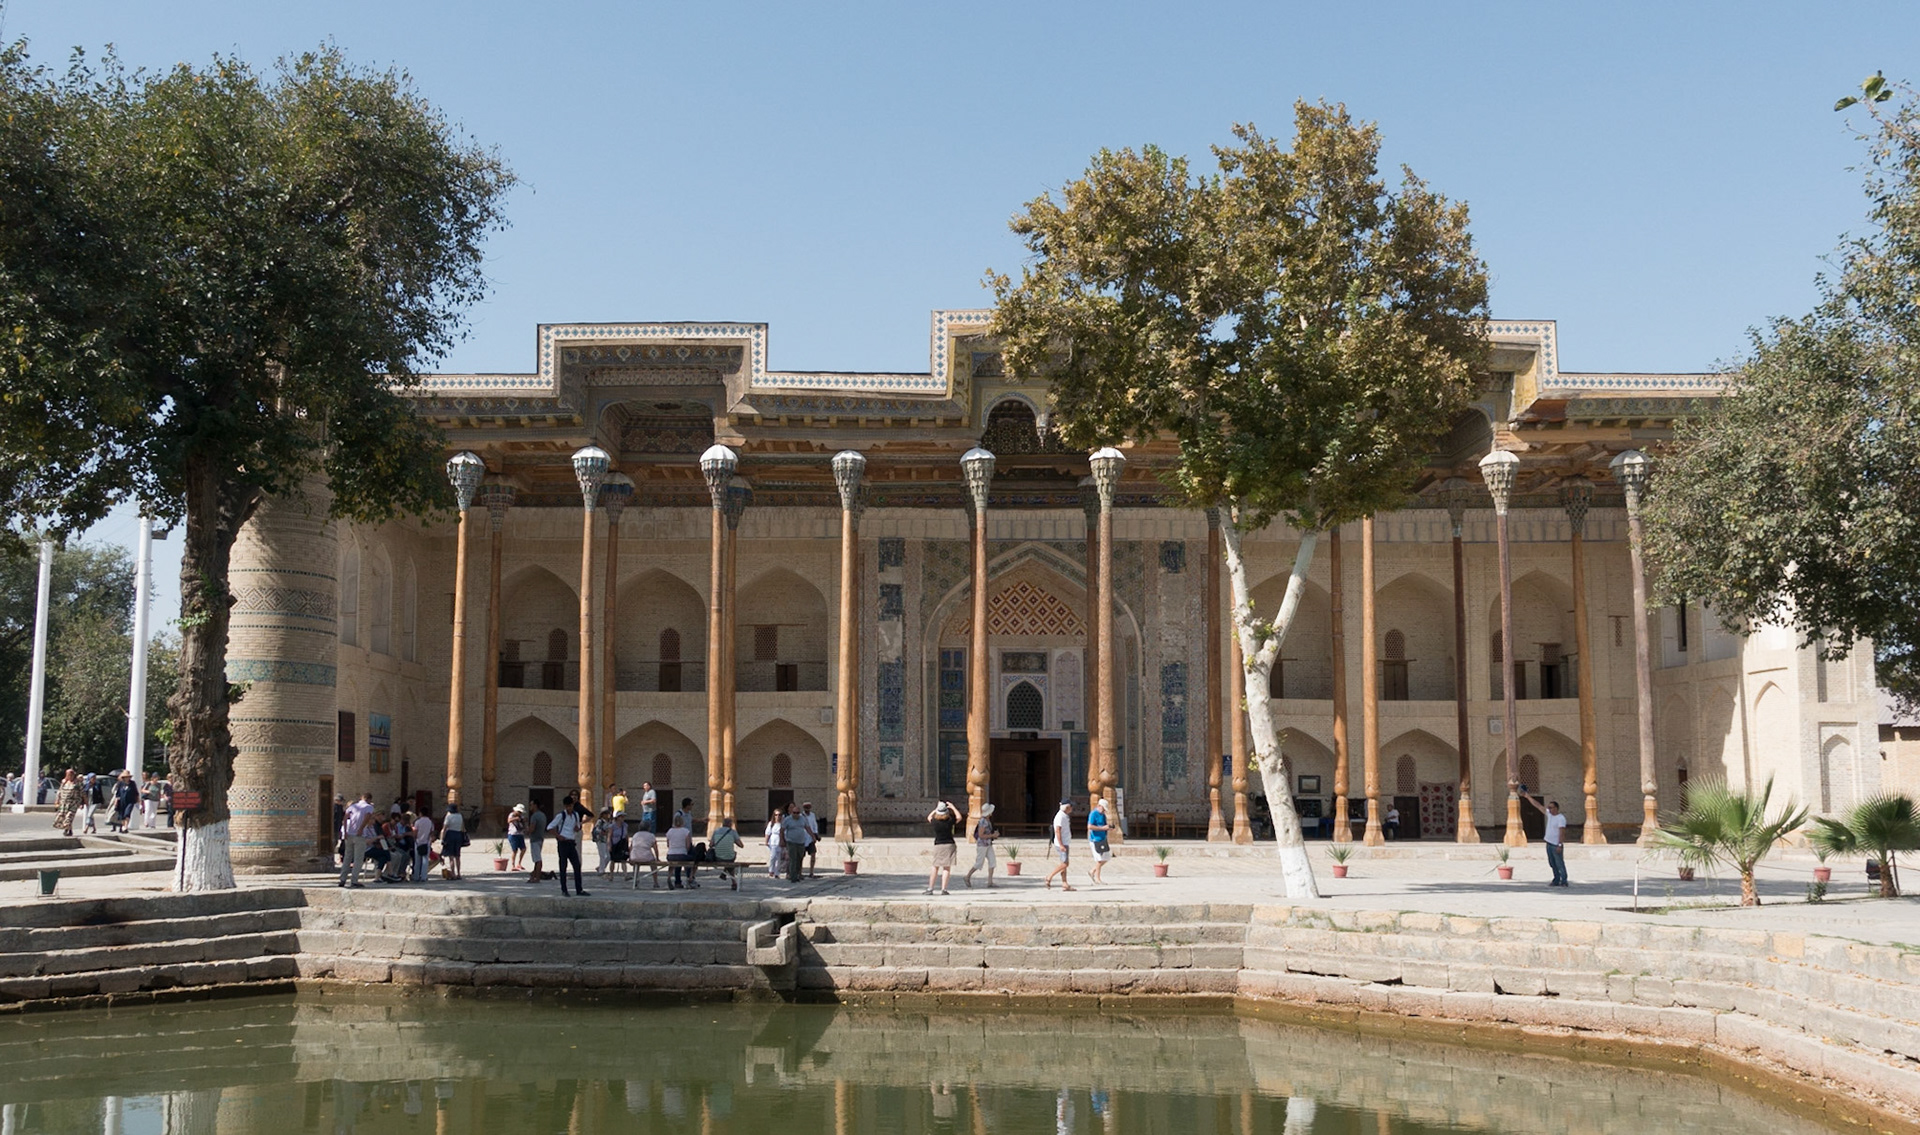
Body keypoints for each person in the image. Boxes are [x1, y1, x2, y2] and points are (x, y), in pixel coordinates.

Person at [1522, 790, 1569, 886]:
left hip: (1556, 844)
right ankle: (1556, 879)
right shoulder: (1550, 815)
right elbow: (1538, 806)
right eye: (1548, 807)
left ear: (1556, 808)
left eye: (1551, 807)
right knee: (1552, 863)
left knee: (1559, 863)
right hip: (1549, 843)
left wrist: (1560, 844)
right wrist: (1528, 797)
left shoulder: (1561, 818)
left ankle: (1564, 880)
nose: (1549, 809)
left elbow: (1562, 832)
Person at [549, 793, 589, 896]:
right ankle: (564, 890)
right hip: (563, 843)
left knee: (577, 866)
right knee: (563, 867)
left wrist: (577, 828)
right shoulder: (561, 816)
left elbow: (578, 826)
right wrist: (558, 836)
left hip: (571, 842)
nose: (569, 808)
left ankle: (579, 889)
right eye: (567, 806)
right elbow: (550, 827)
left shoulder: (575, 815)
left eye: (570, 806)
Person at [338, 792, 377, 888]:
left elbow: (345, 817)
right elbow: (367, 817)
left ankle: (342, 879)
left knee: (347, 857)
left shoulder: (353, 806)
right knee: (358, 858)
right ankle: (354, 880)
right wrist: (361, 828)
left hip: (350, 834)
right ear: (369, 799)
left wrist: (345, 831)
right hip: (360, 835)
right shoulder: (369, 807)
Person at [924, 801, 960, 895]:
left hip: (938, 844)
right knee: (946, 868)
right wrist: (953, 807)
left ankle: (930, 888)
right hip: (949, 844)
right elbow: (959, 817)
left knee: (935, 867)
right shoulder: (950, 821)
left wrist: (935, 809)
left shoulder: (935, 822)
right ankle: (944, 889)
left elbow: (929, 817)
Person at [963, 803, 998, 888]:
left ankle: (990, 881)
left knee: (992, 861)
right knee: (979, 863)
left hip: (988, 844)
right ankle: (967, 876)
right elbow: (981, 835)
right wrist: (992, 835)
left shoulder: (987, 820)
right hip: (982, 845)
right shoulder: (983, 821)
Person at [1045, 800, 1076, 891]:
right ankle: (1049, 877)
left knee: (1063, 863)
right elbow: (1057, 831)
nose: (1072, 809)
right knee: (1065, 863)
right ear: (1067, 807)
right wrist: (1061, 844)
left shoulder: (1065, 816)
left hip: (1065, 842)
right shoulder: (1060, 817)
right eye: (1071, 807)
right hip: (1062, 843)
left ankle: (1064, 883)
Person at [665, 813, 699, 889]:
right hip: (682, 854)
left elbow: (668, 844)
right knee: (691, 859)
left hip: (670, 855)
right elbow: (688, 845)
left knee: (675, 862)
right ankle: (690, 878)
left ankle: (672, 879)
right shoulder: (686, 831)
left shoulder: (669, 831)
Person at [781, 804, 811, 885]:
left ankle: (797, 874)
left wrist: (813, 836)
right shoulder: (787, 820)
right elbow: (782, 830)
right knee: (793, 859)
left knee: (799, 858)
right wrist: (782, 840)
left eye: (797, 813)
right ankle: (793, 876)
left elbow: (807, 828)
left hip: (801, 842)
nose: (796, 814)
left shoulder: (803, 819)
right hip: (791, 842)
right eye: (794, 813)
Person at [709, 815, 741, 890]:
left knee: (728, 859)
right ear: (730, 824)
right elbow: (741, 845)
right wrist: (733, 840)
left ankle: (726, 875)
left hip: (718, 857)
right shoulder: (733, 832)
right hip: (729, 858)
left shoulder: (716, 831)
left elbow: (711, 845)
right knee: (732, 856)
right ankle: (733, 881)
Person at [1087, 797, 1113, 885]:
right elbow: (1090, 826)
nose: (1104, 811)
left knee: (1106, 857)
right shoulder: (1093, 814)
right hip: (1095, 839)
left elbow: (1104, 825)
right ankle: (1097, 878)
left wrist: (1108, 828)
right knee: (1099, 859)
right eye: (1103, 809)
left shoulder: (1103, 815)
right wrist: (1102, 828)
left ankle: (1092, 871)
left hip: (1102, 839)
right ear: (1099, 806)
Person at [628, 821, 660, 888]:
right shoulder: (651, 835)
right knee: (653, 864)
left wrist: (630, 857)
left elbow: (631, 847)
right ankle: (655, 882)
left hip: (635, 856)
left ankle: (635, 879)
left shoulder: (635, 835)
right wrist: (657, 858)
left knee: (636, 864)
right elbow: (655, 848)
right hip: (646, 856)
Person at [52, 769, 83, 836]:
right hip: (64, 803)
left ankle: (66, 830)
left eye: (71, 775)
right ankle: (70, 830)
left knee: (69, 817)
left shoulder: (77, 783)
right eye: (68, 775)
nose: (70, 776)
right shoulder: (64, 782)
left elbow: (82, 793)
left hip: (73, 803)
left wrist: (82, 803)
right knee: (63, 817)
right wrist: (57, 801)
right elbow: (59, 791)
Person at [440, 805, 466, 879]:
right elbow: (462, 827)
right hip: (458, 835)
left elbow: (444, 828)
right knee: (457, 856)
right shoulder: (460, 816)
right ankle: (459, 873)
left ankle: (453, 873)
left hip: (450, 835)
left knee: (451, 856)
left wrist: (442, 839)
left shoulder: (448, 817)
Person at [526, 800, 548, 881]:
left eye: (531, 805)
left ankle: (537, 877)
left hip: (535, 839)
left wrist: (526, 829)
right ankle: (534, 875)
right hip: (540, 838)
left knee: (537, 859)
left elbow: (532, 829)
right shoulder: (543, 815)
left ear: (535, 805)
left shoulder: (534, 816)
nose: (530, 807)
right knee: (536, 858)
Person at [412, 809, 435, 882]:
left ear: (421, 813)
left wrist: (414, 838)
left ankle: (416, 876)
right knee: (425, 860)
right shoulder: (430, 822)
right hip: (426, 842)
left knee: (417, 860)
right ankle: (423, 877)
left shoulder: (417, 822)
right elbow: (431, 832)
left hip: (418, 842)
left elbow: (415, 832)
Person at [800, 801, 821, 879]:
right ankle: (800, 872)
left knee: (813, 854)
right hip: (803, 838)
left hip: (811, 838)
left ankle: (811, 872)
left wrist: (816, 834)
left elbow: (814, 825)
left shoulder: (812, 815)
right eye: (806, 808)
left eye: (808, 808)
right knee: (801, 856)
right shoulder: (801, 816)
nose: (807, 809)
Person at [765, 809, 786, 879]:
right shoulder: (771, 824)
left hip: (780, 842)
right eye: (776, 815)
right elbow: (767, 833)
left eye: (779, 815)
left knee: (778, 858)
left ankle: (777, 872)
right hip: (773, 841)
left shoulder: (783, 824)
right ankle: (771, 870)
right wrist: (766, 841)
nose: (778, 816)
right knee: (773, 857)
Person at [506, 804, 528, 870]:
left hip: (520, 834)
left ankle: (519, 863)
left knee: (523, 849)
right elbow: (509, 820)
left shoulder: (521, 816)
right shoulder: (511, 815)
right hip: (513, 834)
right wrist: (515, 818)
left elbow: (524, 822)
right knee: (514, 850)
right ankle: (513, 865)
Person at [591, 807, 612, 876]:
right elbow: (597, 830)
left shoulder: (609, 822)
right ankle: (601, 870)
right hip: (600, 839)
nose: (607, 815)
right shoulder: (600, 821)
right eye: (605, 813)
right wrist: (603, 832)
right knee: (602, 855)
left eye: (608, 813)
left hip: (606, 840)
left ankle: (600, 867)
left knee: (608, 856)